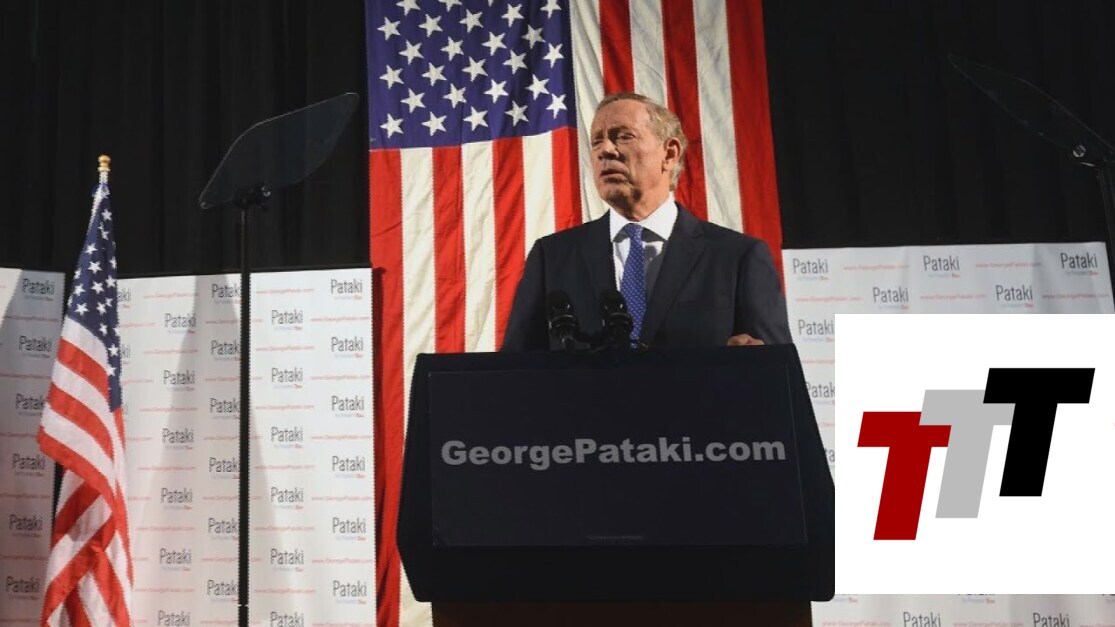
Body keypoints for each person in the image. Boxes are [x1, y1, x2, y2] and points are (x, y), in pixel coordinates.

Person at [501, 92, 791, 351]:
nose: (605, 150)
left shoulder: (736, 257)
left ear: (670, 153)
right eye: (597, 141)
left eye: (623, 136)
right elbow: (515, 371)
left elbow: (777, 373)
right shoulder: (552, 257)